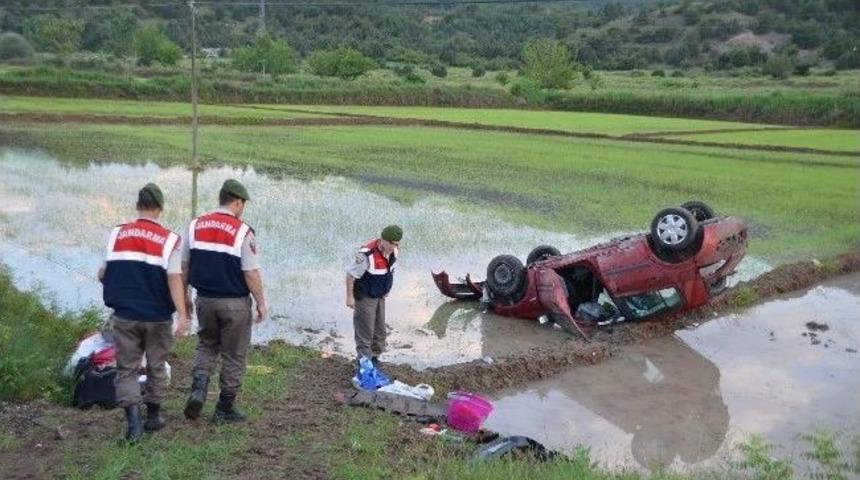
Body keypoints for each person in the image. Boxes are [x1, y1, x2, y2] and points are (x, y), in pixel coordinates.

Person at [99, 183, 189, 443]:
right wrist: (182, 314)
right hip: (158, 317)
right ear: (159, 208)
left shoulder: (117, 234)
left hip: (125, 315)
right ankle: (154, 416)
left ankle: (133, 426)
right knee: (156, 365)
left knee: (126, 369)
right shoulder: (170, 240)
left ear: (138, 206)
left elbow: (103, 273)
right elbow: (174, 279)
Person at [183, 179, 267, 423]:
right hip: (234, 303)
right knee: (234, 353)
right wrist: (261, 302)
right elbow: (250, 272)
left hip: (205, 300)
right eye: (243, 204)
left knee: (207, 344)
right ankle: (224, 407)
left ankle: (198, 389)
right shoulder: (243, 231)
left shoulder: (195, 225)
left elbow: (184, 266)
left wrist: (185, 298)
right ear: (238, 202)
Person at [345, 225, 402, 366]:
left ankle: (374, 359)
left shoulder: (394, 251)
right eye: (391, 243)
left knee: (380, 332)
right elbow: (350, 275)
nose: (393, 247)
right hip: (365, 296)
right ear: (382, 240)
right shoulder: (366, 254)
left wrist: (387, 288)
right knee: (365, 332)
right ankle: (363, 363)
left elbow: (390, 270)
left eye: (396, 244)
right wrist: (349, 297)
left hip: (380, 295)